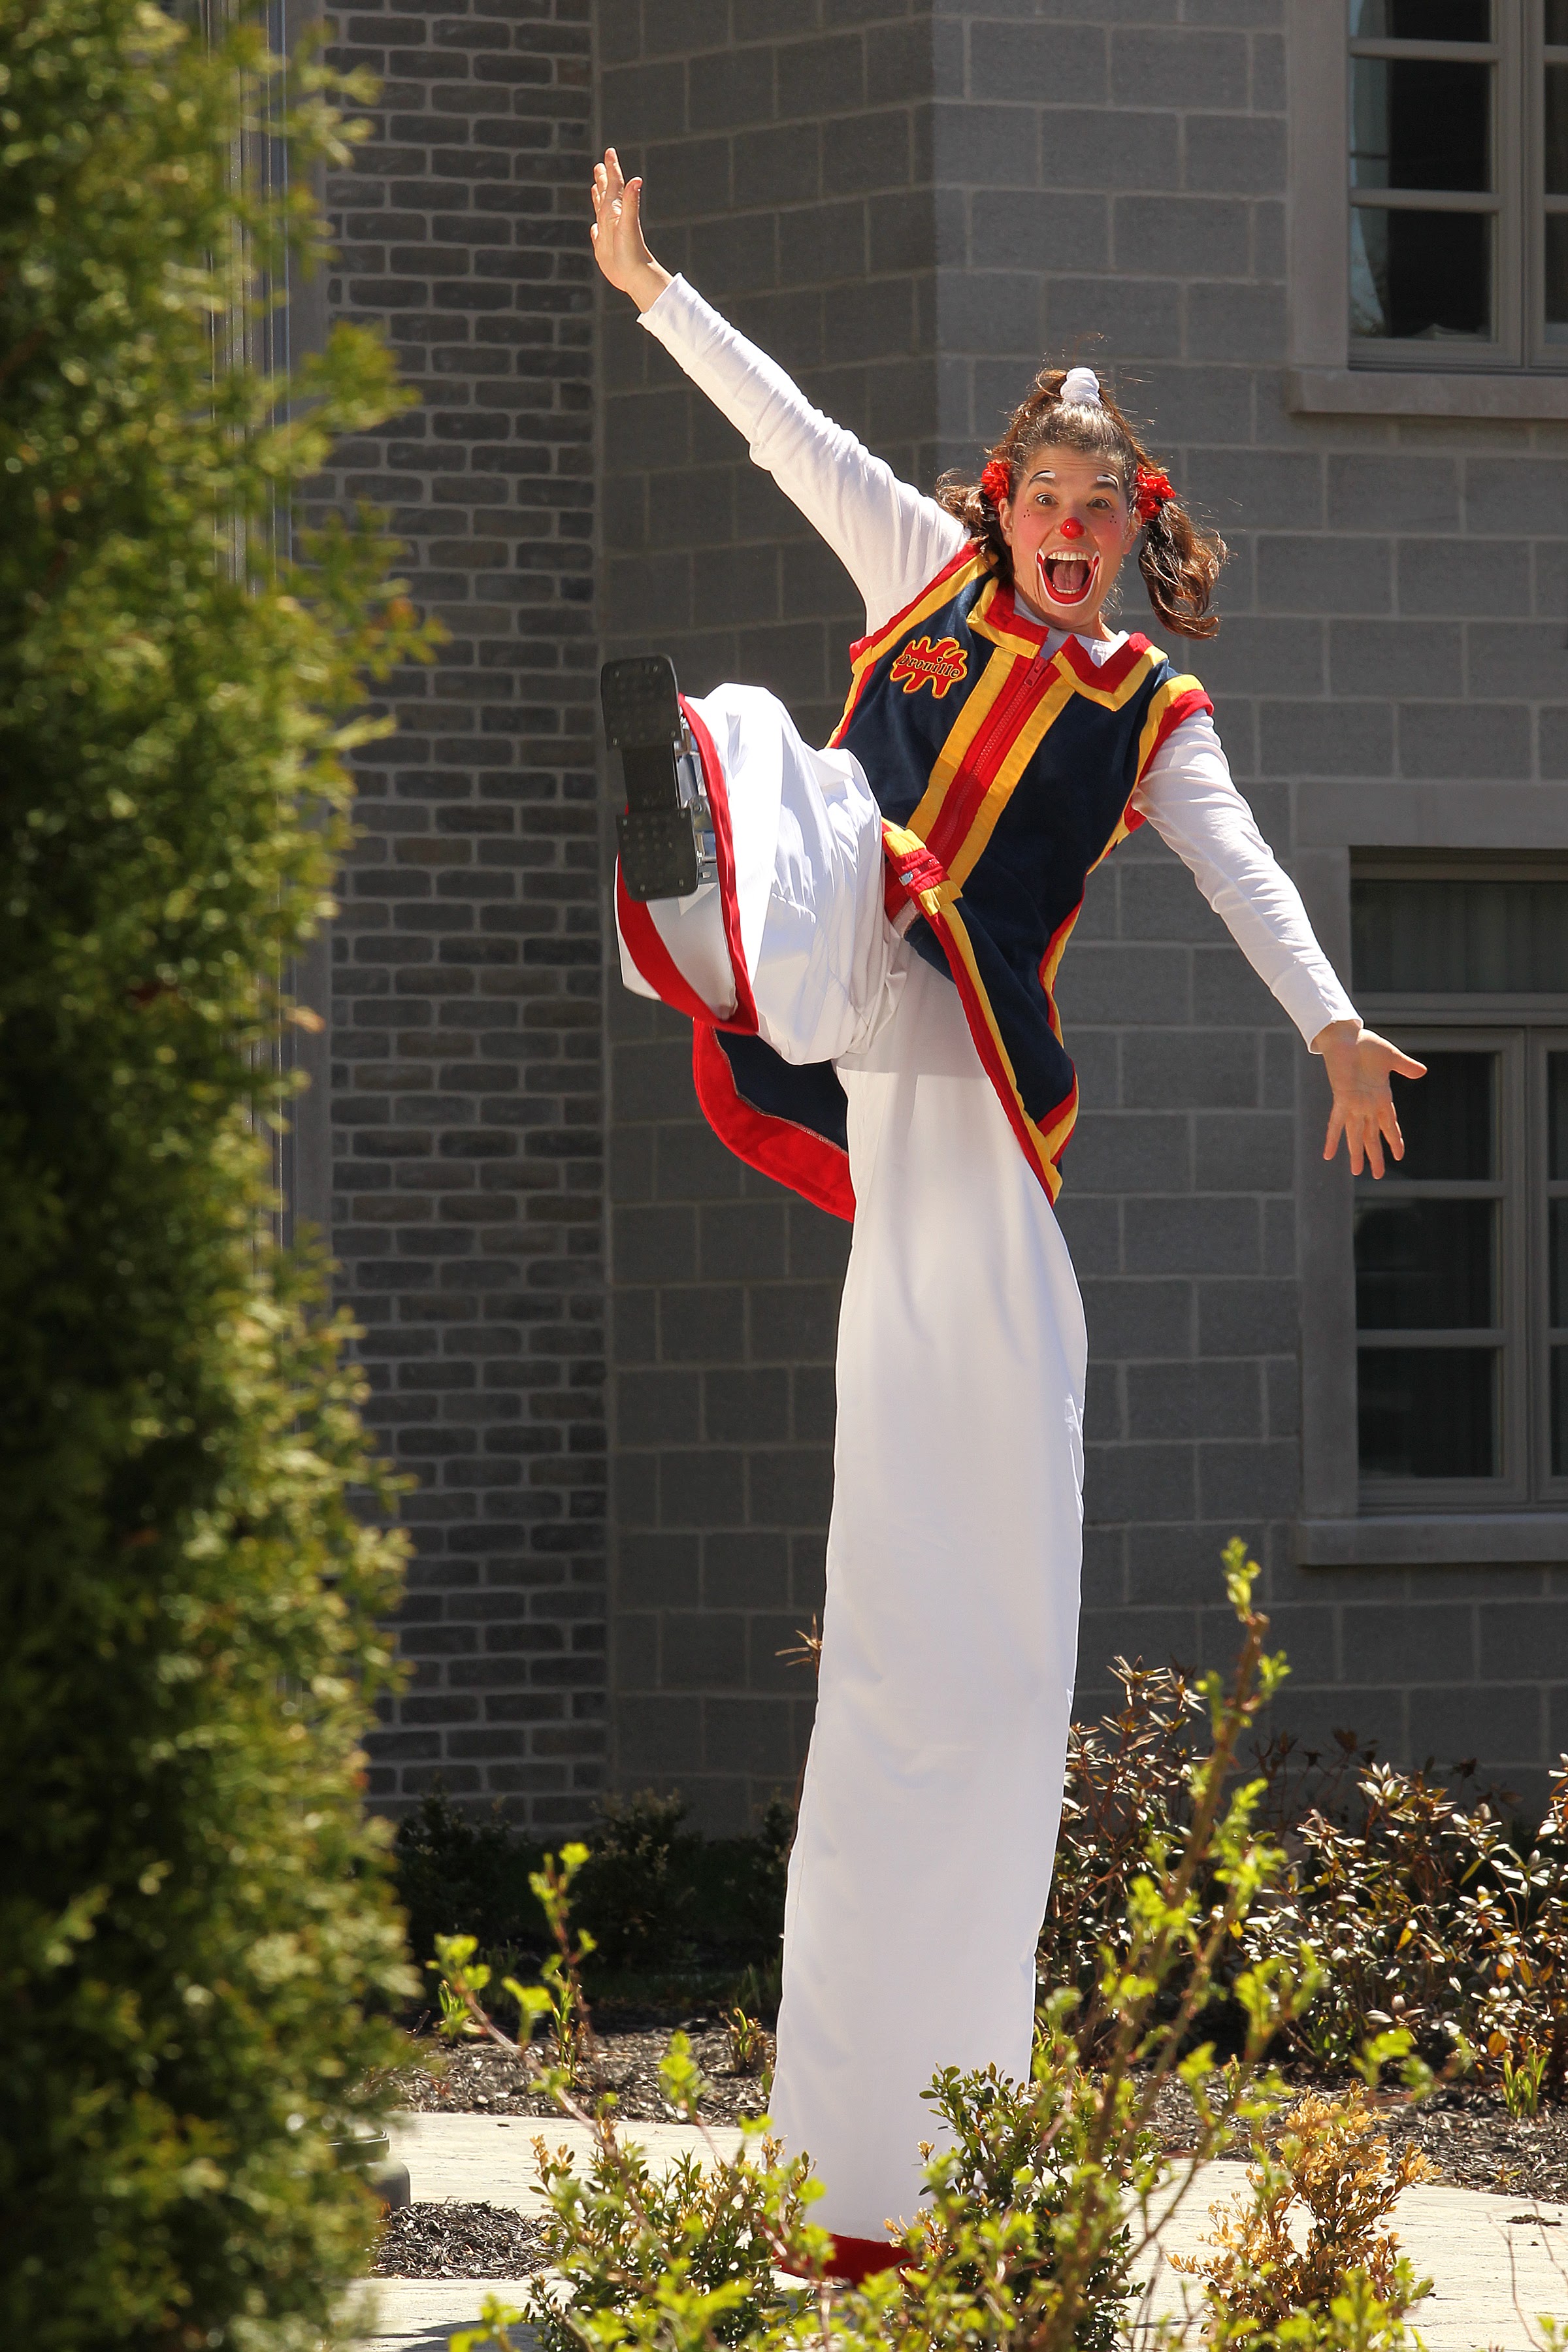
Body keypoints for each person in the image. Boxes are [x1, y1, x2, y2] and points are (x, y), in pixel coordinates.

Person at [589, 148, 1423, 2279]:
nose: (1065, 532)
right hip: (849, 972)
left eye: (1096, 513)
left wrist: (1337, 1028)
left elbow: (1244, 876)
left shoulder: (1151, 713)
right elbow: (793, 432)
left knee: (933, 1625)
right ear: (1000, 503)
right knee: (796, 775)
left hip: (960, 1078)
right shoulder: (917, 567)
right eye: (1041, 502)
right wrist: (655, 288)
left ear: (1132, 531)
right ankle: (695, 864)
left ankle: (874, 2189)